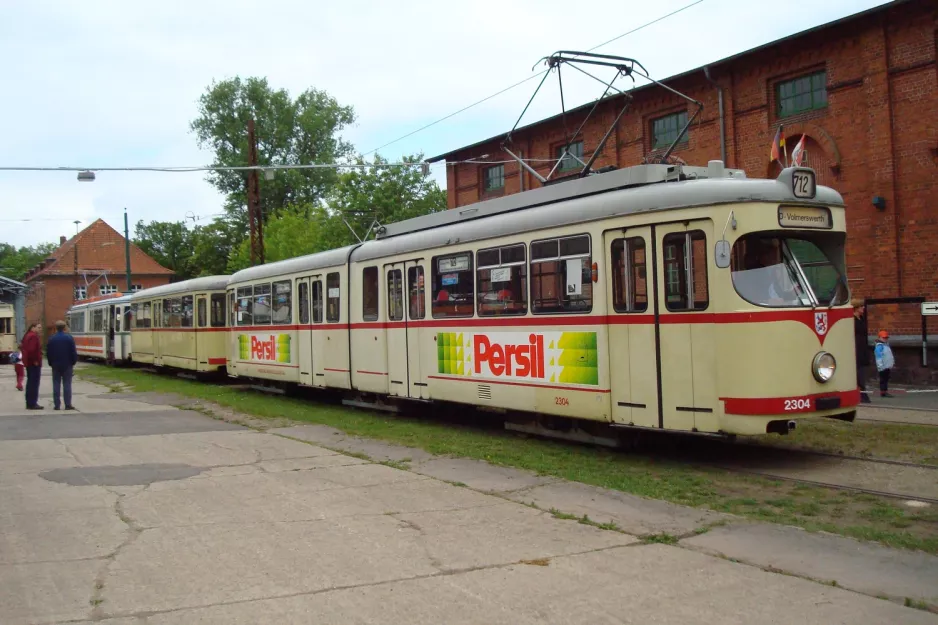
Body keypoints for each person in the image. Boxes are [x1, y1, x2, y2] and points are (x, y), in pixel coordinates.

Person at [46, 320, 78, 411]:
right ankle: (68, 404)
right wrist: (73, 362)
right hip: (67, 364)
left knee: (56, 384)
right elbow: (73, 352)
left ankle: (57, 405)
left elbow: (48, 352)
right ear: (64, 328)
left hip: (55, 364)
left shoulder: (51, 338)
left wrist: (50, 362)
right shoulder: (69, 338)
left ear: (56, 328)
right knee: (67, 384)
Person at [21, 322, 43, 410]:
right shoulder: (33, 336)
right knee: (34, 383)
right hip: (33, 364)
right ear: (33, 327)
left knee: (30, 383)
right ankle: (32, 403)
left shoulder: (27, 336)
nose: (40, 329)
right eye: (39, 327)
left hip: (29, 363)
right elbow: (31, 350)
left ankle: (29, 402)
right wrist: (35, 361)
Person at [852, 299, 871, 403]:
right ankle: (862, 394)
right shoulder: (851, 320)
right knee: (858, 373)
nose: (863, 308)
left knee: (862, 372)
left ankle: (863, 393)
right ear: (856, 308)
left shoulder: (862, 319)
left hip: (863, 348)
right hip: (856, 349)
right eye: (861, 307)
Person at [874, 330, 895, 398]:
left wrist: (891, 363)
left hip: (887, 366)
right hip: (883, 367)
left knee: (885, 379)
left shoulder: (886, 345)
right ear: (879, 338)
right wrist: (880, 366)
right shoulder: (880, 346)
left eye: (886, 338)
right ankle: (883, 392)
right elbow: (878, 357)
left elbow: (889, 356)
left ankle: (884, 391)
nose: (885, 339)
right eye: (884, 338)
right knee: (883, 380)